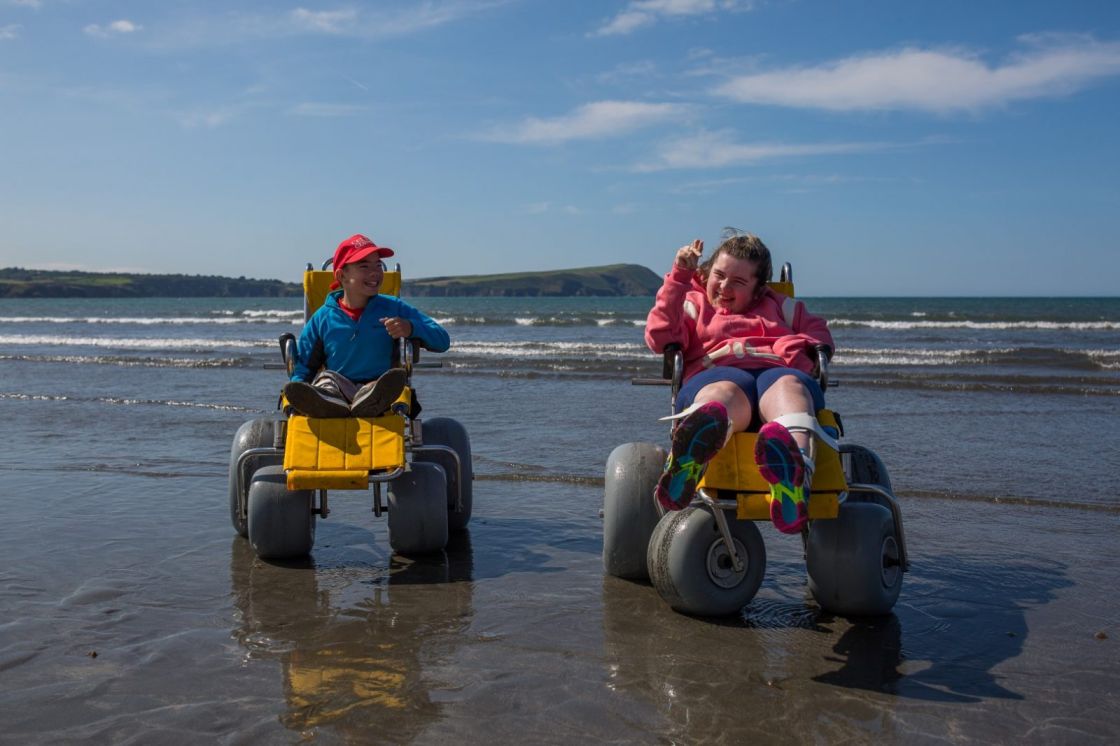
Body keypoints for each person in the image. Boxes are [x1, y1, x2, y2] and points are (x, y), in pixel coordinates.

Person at [644, 230, 836, 533]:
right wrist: (679, 277)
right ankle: (690, 457)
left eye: (738, 282)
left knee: (791, 388)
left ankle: (793, 477)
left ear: (759, 289)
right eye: (718, 275)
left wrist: (803, 351)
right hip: (716, 369)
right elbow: (659, 336)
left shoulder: (781, 306)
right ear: (707, 272)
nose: (723, 286)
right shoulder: (693, 303)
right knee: (723, 395)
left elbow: (819, 332)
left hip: (776, 369)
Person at [283, 233, 450, 418]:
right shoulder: (323, 317)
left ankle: (364, 402)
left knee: (381, 385)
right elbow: (303, 366)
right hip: (337, 387)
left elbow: (442, 340)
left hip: (378, 387)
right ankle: (331, 403)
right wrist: (295, 394)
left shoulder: (394, 307)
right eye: (364, 266)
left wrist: (411, 328)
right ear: (341, 275)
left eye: (378, 265)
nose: (375, 272)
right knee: (326, 383)